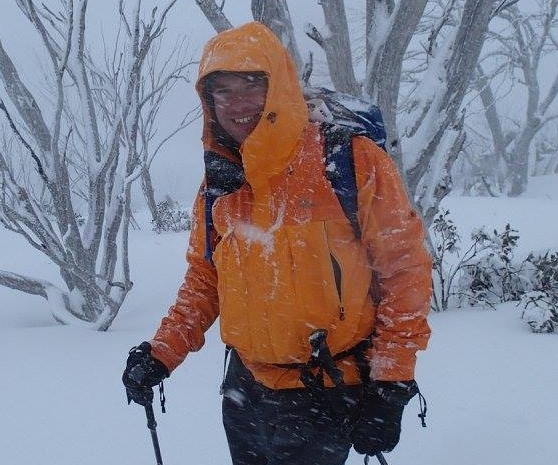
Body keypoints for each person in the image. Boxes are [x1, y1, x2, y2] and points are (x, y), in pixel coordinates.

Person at [122, 21, 431, 465]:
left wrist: (392, 384)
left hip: (325, 392)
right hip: (244, 392)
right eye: (222, 90)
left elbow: (405, 271)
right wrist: (161, 353)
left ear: (281, 87)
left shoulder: (348, 159)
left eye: (252, 84)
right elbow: (205, 281)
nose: (237, 103)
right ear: (208, 102)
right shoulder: (219, 185)